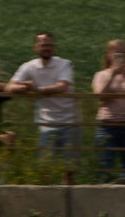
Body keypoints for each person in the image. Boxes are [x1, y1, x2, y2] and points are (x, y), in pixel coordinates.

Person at [7, 31, 79, 164]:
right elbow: (9, 87)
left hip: (70, 122)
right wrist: (23, 88)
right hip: (47, 123)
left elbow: (62, 86)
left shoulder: (64, 64)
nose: (47, 48)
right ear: (35, 47)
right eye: (43, 45)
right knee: (45, 167)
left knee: (70, 168)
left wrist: (37, 89)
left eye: (49, 45)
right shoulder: (29, 66)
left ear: (54, 47)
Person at [92, 41, 125, 181]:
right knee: (105, 169)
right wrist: (112, 75)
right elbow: (100, 95)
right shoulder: (101, 75)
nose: (120, 56)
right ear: (108, 55)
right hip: (108, 125)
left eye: (122, 53)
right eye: (116, 54)